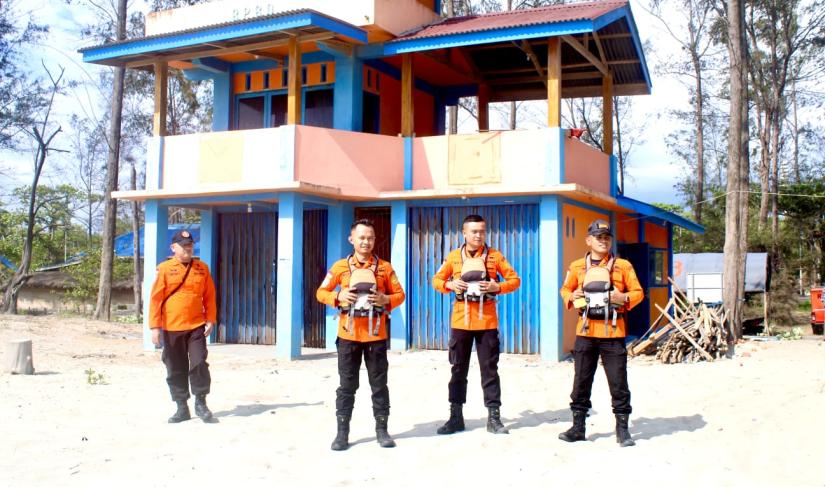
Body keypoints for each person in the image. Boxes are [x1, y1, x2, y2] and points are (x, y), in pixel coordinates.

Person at [316, 219, 406, 451]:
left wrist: (386, 299)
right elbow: (320, 292)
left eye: (370, 238)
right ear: (352, 239)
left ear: (375, 240)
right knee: (346, 386)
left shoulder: (385, 268)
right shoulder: (339, 268)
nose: (366, 242)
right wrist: (339, 297)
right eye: (362, 237)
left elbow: (400, 294)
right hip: (348, 336)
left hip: (375, 337)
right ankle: (342, 433)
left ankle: (382, 431)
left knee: (379, 385)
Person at [432, 214, 521, 435]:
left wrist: (496, 287)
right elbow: (436, 281)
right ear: (464, 233)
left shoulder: (494, 256)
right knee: (458, 370)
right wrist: (450, 284)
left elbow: (515, 280)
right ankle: (455, 417)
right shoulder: (453, 257)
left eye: (482, 231)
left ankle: (494, 418)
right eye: (474, 231)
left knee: (490, 370)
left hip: (486, 322)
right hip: (461, 321)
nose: (478, 235)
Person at [558, 219, 643, 447]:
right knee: (581, 381)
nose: (603, 241)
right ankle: (578, 427)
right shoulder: (577, 266)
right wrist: (571, 296)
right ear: (589, 240)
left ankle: (622, 429)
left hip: (613, 333)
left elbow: (638, 292)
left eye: (606, 237)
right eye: (598, 237)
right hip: (585, 332)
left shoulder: (623, 266)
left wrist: (623, 298)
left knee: (618, 382)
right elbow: (565, 289)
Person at [149, 229, 218, 424]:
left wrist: (211, 319)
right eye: (183, 245)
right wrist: (155, 327)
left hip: (196, 325)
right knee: (175, 367)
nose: (188, 248)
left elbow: (210, 296)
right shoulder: (164, 269)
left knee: (199, 363)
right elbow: (155, 299)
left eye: (190, 245)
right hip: (171, 327)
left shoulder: (202, 268)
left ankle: (201, 403)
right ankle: (181, 407)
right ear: (173, 248)